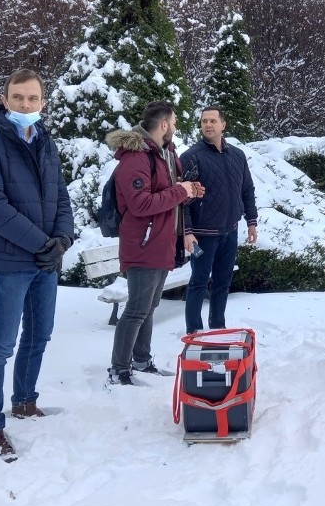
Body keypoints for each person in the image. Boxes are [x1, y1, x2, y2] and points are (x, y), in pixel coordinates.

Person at [0, 69, 74, 459]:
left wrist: (62, 238)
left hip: (46, 259)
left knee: (39, 336)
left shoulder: (45, 141)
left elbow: (61, 196)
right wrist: (42, 243)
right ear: (5, 98)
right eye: (18, 97)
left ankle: (25, 400)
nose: (25, 105)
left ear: (43, 102)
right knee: (1, 344)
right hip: (11, 260)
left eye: (33, 99)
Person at [106, 101, 204, 385]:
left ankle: (141, 360)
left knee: (148, 308)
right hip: (143, 244)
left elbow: (170, 196)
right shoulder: (136, 158)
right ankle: (119, 369)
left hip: (161, 243)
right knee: (136, 309)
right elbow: (140, 204)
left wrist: (189, 191)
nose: (175, 126)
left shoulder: (166, 154)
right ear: (163, 125)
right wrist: (179, 190)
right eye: (173, 121)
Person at [180, 106, 258, 334]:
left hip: (229, 232)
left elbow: (247, 190)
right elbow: (182, 198)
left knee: (223, 284)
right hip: (202, 235)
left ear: (223, 125)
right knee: (198, 283)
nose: (208, 125)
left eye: (213, 121)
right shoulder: (191, 157)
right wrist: (187, 231)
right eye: (204, 121)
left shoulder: (237, 155)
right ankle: (194, 332)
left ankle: (218, 328)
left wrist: (251, 221)